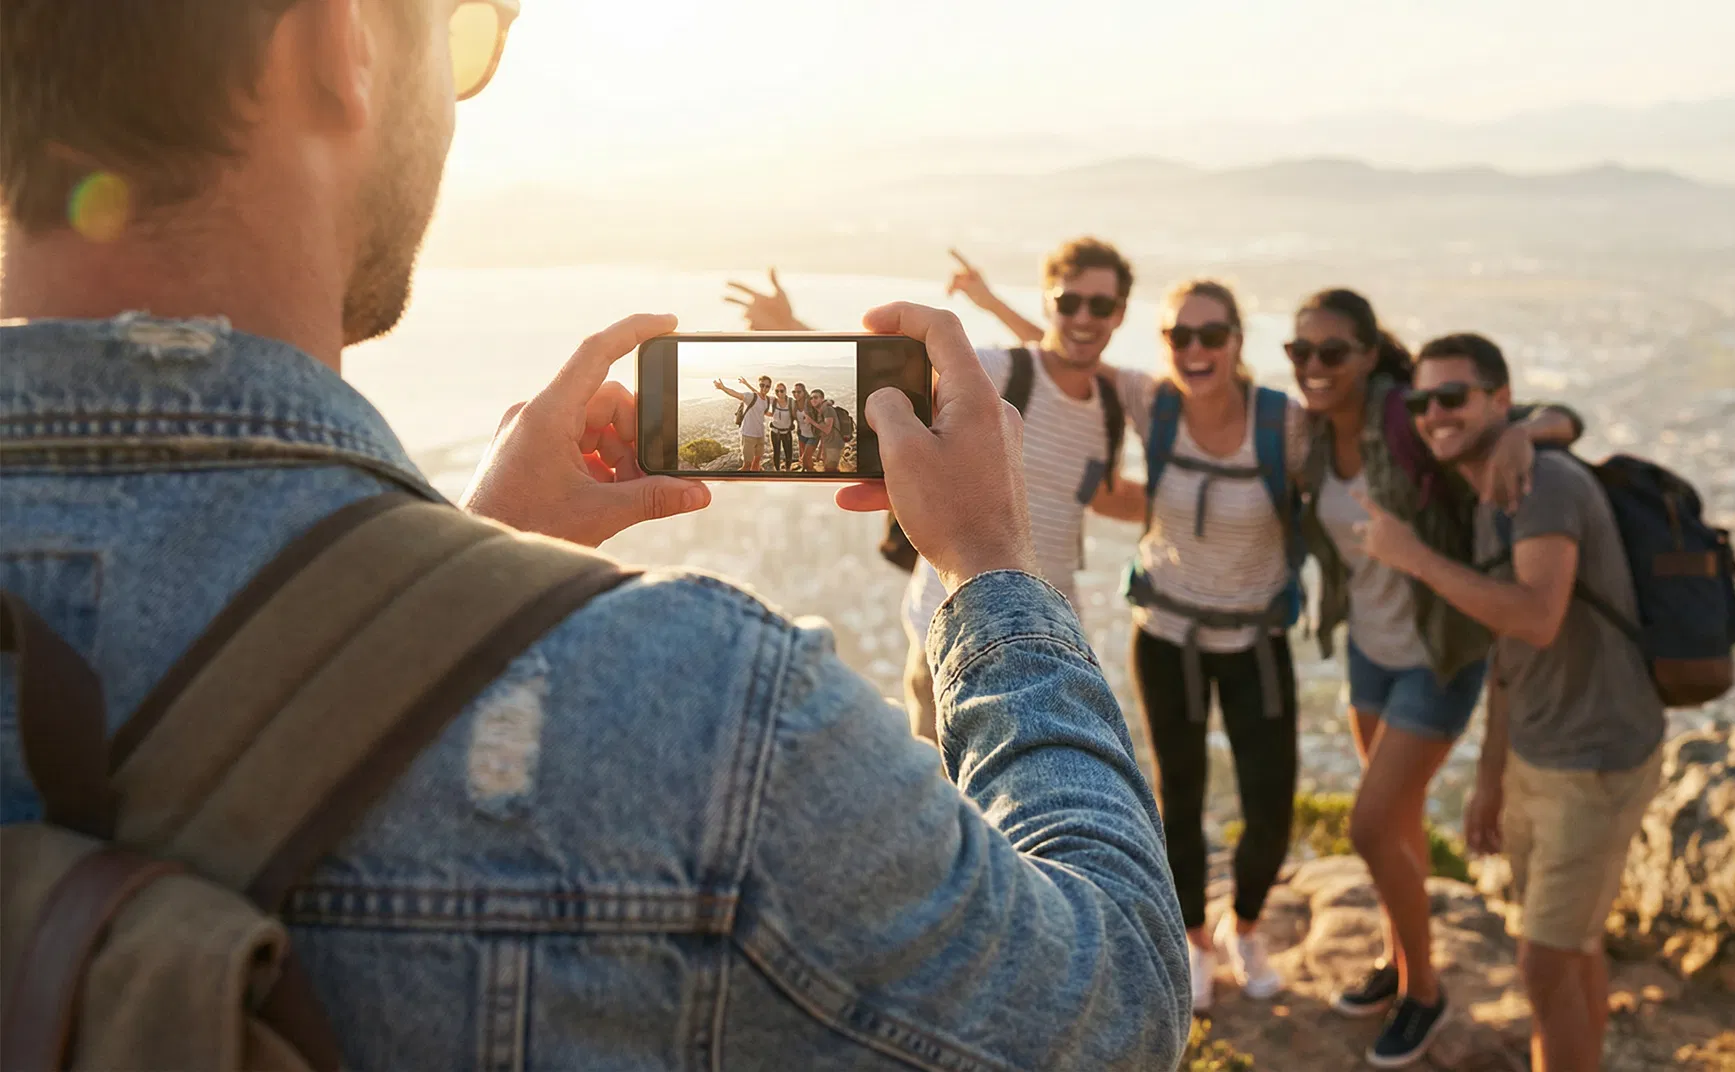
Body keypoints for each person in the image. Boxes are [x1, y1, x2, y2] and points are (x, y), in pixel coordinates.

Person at [0, 3, 1190, 1068]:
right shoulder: (705, 717)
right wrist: (991, 568)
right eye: (469, 30)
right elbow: (1115, 1008)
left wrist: (439, 586)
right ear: (338, 42)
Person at [1286, 289, 1583, 1068]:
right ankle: (1399, 959)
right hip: (1369, 651)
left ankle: (1425, 992)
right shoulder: (1311, 433)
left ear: (1367, 354)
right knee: (1400, 822)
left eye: (1331, 353)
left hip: (1439, 654)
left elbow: (1554, 417)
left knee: (1370, 825)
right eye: (1300, 352)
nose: (1313, 367)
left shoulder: (1405, 416)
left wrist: (1523, 430)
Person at [1352, 334, 1663, 1072]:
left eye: (1453, 397)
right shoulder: (1493, 483)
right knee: (1570, 952)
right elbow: (1511, 653)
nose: (1434, 415)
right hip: (1542, 752)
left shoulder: (1540, 483)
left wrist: (1414, 559)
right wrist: (1494, 771)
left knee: (1543, 966)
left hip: (1596, 758)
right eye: (1422, 401)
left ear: (1501, 400)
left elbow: (1534, 615)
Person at [720, 241, 1146, 744]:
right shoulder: (1004, 373)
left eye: (1099, 306)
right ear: (1048, 302)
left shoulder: (1110, 407)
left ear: (1119, 314)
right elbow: (895, 374)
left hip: (1050, 626)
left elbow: (1099, 494)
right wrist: (792, 331)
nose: (1083, 317)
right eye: (1069, 301)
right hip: (951, 626)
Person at [1101, 280, 1308, 1015]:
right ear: (1163, 345)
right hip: (1167, 637)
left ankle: (1242, 926)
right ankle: (1192, 942)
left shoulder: (1282, 424)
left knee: (1271, 804)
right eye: (1179, 336)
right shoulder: (1151, 403)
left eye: (1210, 335)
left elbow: (1366, 433)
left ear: (1237, 341)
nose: (1194, 350)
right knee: (1178, 799)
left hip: (1254, 639)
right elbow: (1064, 356)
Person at [713, 374, 773, 471]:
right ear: (759, 385)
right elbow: (737, 394)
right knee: (746, 466)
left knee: (757, 463)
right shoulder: (751, 397)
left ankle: (754, 483)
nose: (764, 388)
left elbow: (763, 412)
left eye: (767, 386)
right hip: (748, 435)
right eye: (762, 385)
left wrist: (776, 415)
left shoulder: (767, 400)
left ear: (770, 387)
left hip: (760, 435)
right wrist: (723, 388)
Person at [769, 382, 796, 471]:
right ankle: (777, 470)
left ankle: (788, 469)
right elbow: (760, 395)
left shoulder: (791, 402)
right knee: (776, 453)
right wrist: (746, 384)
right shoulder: (773, 401)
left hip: (786, 431)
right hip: (775, 431)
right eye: (777, 391)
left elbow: (803, 404)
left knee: (788, 452)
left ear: (785, 391)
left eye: (781, 391)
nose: (779, 393)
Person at [818, 396, 847, 474]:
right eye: (811, 398)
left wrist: (811, 421)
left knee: (831, 470)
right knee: (829, 469)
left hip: (833, 445)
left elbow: (827, 429)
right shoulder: (823, 411)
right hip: (830, 445)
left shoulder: (827, 409)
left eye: (816, 397)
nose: (813, 400)